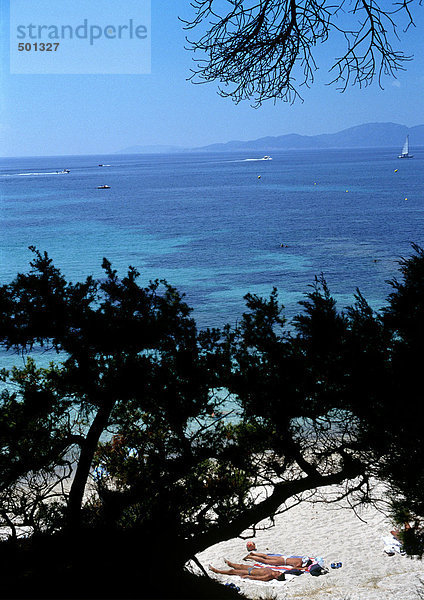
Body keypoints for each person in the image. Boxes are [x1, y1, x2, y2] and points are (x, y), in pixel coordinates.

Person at [209, 560, 286, 582]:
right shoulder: (274, 571)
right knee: (240, 566)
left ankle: (216, 570)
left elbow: (258, 578)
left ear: (276, 577)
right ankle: (230, 563)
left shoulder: (269, 576)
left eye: (279, 573)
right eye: (280, 572)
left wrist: (247, 576)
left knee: (232, 571)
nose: (279, 572)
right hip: (253, 568)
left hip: (249, 572)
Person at [243, 552, 312, 569]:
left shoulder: (300, 559)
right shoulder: (299, 564)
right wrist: (302, 568)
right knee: (265, 561)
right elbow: (294, 568)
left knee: (266, 557)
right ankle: (250, 557)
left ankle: (254, 553)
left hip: (283, 558)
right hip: (282, 562)